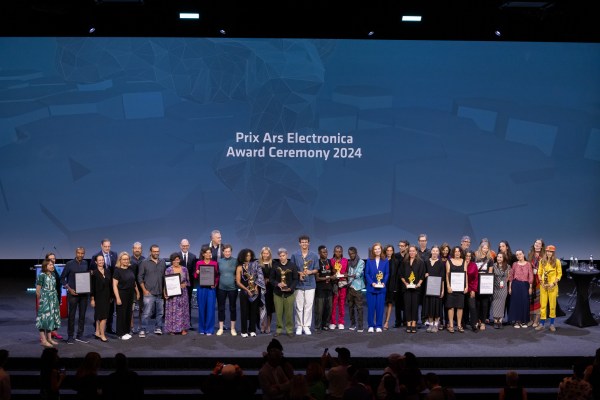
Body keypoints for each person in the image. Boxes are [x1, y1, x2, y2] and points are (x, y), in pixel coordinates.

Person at [291, 235, 319, 335]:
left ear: (308, 243)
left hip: (310, 284)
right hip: (298, 284)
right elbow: (292, 269)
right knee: (298, 306)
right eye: (302, 242)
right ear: (299, 243)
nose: (304, 244)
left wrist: (310, 272)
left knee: (308, 306)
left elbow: (316, 269)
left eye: (306, 242)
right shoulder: (295, 255)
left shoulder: (314, 255)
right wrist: (300, 273)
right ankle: (299, 326)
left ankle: (306, 326)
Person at [60, 247, 89, 344]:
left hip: (84, 294)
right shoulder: (69, 264)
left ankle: (80, 335)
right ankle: (70, 336)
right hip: (73, 294)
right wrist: (69, 289)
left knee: (82, 315)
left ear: (84, 254)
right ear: (76, 253)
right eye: (79, 253)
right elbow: (62, 278)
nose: (80, 255)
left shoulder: (85, 263)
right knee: (72, 316)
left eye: (82, 253)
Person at [138, 244, 166, 337]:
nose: (156, 253)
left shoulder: (162, 262)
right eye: (154, 251)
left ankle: (158, 328)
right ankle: (143, 329)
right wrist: (144, 290)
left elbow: (165, 277)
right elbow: (140, 277)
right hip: (148, 292)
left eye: (157, 251)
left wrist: (164, 290)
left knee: (160, 313)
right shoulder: (144, 262)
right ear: (150, 252)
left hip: (160, 292)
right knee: (146, 313)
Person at [90, 239, 118, 334]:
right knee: (99, 311)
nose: (107, 248)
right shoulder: (95, 256)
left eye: (109, 246)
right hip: (99, 289)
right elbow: (92, 272)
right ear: (101, 246)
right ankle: (97, 330)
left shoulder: (114, 255)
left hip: (110, 286)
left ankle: (109, 327)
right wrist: (92, 297)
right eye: (105, 246)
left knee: (110, 309)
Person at [236, 248, 265, 337]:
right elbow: (238, 282)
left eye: (250, 255)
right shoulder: (239, 267)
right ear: (242, 256)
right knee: (244, 312)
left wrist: (256, 287)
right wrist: (247, 290)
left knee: (254, 311)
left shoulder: (255, 265)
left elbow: (260, 277)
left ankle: (252, 330)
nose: (248, 257)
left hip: (255, 292)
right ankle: (244, 331)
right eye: (247, 255)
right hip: (244, 292)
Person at [271, 248, 299, 337]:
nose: (282, 257)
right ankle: (278, 330)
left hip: (289, 293)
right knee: (278, 313)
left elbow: (295, 279)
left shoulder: (292, 265)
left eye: (283, 255)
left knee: (289, 313)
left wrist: (290, 288)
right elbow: (271, 279)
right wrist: (278, 284)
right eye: (280, 256)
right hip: (278, 293)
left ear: (287, 255)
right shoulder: (275, 265)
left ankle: (289, 330)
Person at [112, 252, 140, 340]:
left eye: (127, 259)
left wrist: (137, 292)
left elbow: (134, 281)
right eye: (124, 259)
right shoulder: (117, 271)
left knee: (128, 313)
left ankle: (126, 331)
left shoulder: (130, 269)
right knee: (121, 314)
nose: (126, 261)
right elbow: (114, 285)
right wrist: (117, 298)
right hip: (121, 294)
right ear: (120, 260)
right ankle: (120, 333)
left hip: (130, 294)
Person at [535, 245, 562, 332]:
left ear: (553, 253)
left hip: (552, 286)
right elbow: (539, 272)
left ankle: (552, 324)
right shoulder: (542, 261)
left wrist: (554, 283)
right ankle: (542, 324)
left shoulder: (557, 261)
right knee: (543, 305)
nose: (549, 253)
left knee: (552, 306)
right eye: (547, 251)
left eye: (550, 251)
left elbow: (559, 274)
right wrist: (541, 282)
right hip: (543, 286)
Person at [399, 245, 425, 333]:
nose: (411, 252)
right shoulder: (404, 262)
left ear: (416, 252)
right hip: (406, 288)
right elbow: (401, 274)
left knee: (415, 306)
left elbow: (422, 275)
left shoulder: (420, 262)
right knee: (407, 306)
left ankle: (414, 323)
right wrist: (405, 283)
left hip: (416, 289)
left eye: (413, 251)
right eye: (410, 251)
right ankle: (408, 323)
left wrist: (419, 284)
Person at [36, 259, 62, 348]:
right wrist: (40, 301)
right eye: (50, 265)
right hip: (45, 300)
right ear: (45, 266)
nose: (52, 266)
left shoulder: (53, 275)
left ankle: (49, 338)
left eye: (52, 265)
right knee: (43, 319)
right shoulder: (41, 275)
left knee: (51, 319)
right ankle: (43, 340)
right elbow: (38, 290)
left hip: (53, 299)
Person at [164, 252, 190, 335]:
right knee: (172, 311)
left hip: (183, 293)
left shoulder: (184, 269)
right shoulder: (168, 270)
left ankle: (183, 329)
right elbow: (166, 282)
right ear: (171, 261)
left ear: (179, 260)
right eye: (174, 260)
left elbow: (188, 281)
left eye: (177, 260)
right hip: (172, 294)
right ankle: (172, 329)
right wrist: (165, 293)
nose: (176, 261)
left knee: (183, 311)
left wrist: (185, 284)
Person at [365, 242, 389, 333]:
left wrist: (383, 282)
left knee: (380, 308)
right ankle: (371, 325)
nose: (377, 250)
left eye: (379, 249)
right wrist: (372, 283)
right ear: (373, 251)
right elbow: (366, 273)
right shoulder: (369, 260)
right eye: (375, 249)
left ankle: (379, 325)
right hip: (371, 288)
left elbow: (387, 273)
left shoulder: (385, 260)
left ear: (381, 250)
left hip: (381, 288)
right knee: (371, 308)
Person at [195, 245, 219, 335]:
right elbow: (195, 276)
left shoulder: (214, 263)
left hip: (211, 289)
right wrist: (197, 273)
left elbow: (217, 276)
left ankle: (209, 329)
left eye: (210, 253)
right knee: (201, 309)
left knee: (210, 309)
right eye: (207, 253)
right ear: (203, 254)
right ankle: (202, 329)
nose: (209, 254)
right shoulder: (199, 263)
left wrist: (215, 283)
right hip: (201, 289)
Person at [216, 244, 238, 336]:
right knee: (221, 308)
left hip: (233, 288)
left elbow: (239, 273)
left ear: (231, 252)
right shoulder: (219, 261)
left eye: (229, 251)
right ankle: (221, 328)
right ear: (223, 252)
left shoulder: (236, 261)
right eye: (226, 251)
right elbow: (216, 274)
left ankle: (233, 328)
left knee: (233, 308)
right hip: (221, 288)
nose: (227, 253)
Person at [508, 250, 533, 328]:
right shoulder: (514, 264)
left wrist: (530, 287)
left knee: (525, 302)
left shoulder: (528, 264)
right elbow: (511, 276)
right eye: (517, 255)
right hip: (516, 284)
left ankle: (524, 321)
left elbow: (530, 276)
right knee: (516, 303)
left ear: (523, 254)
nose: (519, 256)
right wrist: (510, 287)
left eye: (520, 254)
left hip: (525, 285)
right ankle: (516, 321)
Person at [445, 246, 467, 333]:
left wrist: (466, 286)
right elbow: (447, 275)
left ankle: (459, 325)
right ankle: (451, 325)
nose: (457, 253)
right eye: (455, 251)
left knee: (460, 307)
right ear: (453, 253)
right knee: (451, 307)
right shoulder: (449, 261)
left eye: (459, 251)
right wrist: (448, 286)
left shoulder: (464, 261)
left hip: (461, 288)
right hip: (451, 288)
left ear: (461, 253)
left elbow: (466, 275)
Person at [90, 254, 111, 342]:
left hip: (107, 297)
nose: (101, 261)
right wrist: (92, 299)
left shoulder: (108, 271)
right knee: (103, 317)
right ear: (96, 262)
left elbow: (110, 285)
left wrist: (111, 296)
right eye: (99, 260)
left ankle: (97, 332)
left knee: (100, 316)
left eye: (102, 260)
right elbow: (92, 287)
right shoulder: (94, 273)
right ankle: (102, 335)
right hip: (98, 297)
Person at [423, 246, 444, 333]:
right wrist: (425, 275)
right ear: (431, 251)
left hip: (437, 289)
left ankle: (436, 324)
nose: (435, 252)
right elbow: (423, 274)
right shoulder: (426, 262)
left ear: (438, 253)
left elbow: (443, 278)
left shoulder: (441, 263)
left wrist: (442, 290)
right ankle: (431, 324)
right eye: (433, 251)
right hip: (428, 289)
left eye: (436, 251)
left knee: (437, 306)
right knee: (429, 306)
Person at [178, 239, 197, 330]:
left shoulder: (193, 256)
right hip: (178, 284)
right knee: (178, 303)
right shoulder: (177, 256)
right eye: (183, 246)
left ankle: (188, 323)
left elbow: (193, 271)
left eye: (186, 246)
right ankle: (179, 322)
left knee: (188, 303)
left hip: (189, 284)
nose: (185, 247)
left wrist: (187, 281)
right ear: (180, 246)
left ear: (189, 246)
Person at [474, 241, 494, 329]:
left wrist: (488, 284)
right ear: (481, 248)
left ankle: (483, 322)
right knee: (477, 303)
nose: (485, 250)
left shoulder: (490, 259)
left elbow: (490, 272)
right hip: (476, 283)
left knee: (485, 304)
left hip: (485, 284)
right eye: (484, 248)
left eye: (487, 248)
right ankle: (477, 320)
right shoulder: (475, 259)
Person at [314, 245, 333, 333]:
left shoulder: (330, 262)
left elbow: (333, 273)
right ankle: (317, 326)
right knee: (319, 309)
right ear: (319, 253)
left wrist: (334, 276)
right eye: (323, 252)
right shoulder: (317, 262)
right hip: (320, 288)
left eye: (326, 252)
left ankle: (325, 325)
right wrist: (327, 278)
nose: (325, 253)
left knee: (328, 308)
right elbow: (317, 278)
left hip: (329, 288)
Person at [346, 247, 365, 332]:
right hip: (350, 287)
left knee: (359, 308)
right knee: (350, 307)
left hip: (357, 288)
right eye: (350, 254)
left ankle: (360, 326)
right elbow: (349, 273)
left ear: (356, 253)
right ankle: (353, 324)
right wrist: (346, 275)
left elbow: (357, 274)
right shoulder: (349, 262)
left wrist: (347, 275)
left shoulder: (361, 262)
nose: (351, 255)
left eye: (353, 253)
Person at [45, 252, 63, 341]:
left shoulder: (55, 268)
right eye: (51, 259)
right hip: (49, 296)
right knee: (48, 315)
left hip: (57, 295)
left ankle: (54, 332)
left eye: (54, 258)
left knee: (55, 315)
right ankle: (46, 335)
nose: (53, 260)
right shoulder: (45, 270)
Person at [527, 238, 545, 328]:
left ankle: (537, 320)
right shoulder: (530, 254)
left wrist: (538, 271)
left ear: (541, 246)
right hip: (531, 280)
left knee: (538, 301)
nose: (537, 244)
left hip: (539, 281)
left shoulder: (544, 256)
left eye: (539, 243)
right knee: (530, 300)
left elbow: (546, 268)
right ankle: (531, 319)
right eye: (536, 243)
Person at [330, 245, 348, 330]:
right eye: (336, 251)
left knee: (342, 304)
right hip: (334, 284)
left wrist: (345, 275)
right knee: (333, 304)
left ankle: (341, 322)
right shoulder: (331, 260)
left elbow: (347, 272)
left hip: (343, 284)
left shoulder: (345, 260)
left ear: (342, 252)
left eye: (339, 252)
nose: (338, 253)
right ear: (334, 252)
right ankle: (333, 322)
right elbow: (330, 272)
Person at [491, 253, 511, 329]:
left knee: (502, 303)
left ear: (504, 258)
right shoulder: (493, 266)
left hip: (503, 287)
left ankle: (500, 320)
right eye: (498, 257)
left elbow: (509, 276)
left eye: (500, 257)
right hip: (495, 287)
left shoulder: (508, 266)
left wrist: (504, 281)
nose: (499, 258)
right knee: (495, 303)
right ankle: (495, 320)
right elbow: (490, 275)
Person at [259, 246, 275, 334]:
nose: (265, 255)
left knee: (269, 308)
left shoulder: (273, 263)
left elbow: (275, 275)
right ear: (261, 254)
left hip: (270, 288)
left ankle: (268, 325)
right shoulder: (257, 263)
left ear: (270, 254)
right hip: (260, 288)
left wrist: (269, 280)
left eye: (267, 253)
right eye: (264, 253)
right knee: (261, 307)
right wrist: (261, 281)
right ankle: (262, 325)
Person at [129, 242, 145, 334]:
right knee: (131, 309)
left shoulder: (145, 260)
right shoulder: (129, 260)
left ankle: (141, 327)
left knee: (142, 309)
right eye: (135, 248)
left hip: (142, 288)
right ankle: (131, 327)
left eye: (139, 248)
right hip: (132, 289)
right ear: (133, 249)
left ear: (141, 250)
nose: (137, 250)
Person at [393, 240, 409, 328]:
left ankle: (406, 321)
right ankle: (398, 321)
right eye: (399, 246)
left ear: (407, 246)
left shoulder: (409, 255)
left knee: (406, 303)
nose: (400, 247)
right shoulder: (396, 256)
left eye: (402, 246)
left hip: (407, 282)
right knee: (398, 304)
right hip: (398, 283)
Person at [383, 244, 398, 331]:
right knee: (381, 304)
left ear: (393, 251)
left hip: (391, 285)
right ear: (385, 251)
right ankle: (379, 322)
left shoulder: (395, 261)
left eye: (391, 250)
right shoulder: (382, 260)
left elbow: (396, 275)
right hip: (382, 285)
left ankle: (386, 322)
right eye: (387, 250)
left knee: (390, 304)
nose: (389, 252)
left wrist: (395, 287)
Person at [464, 250, 479, 331]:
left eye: (469, 256)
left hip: (471, 289)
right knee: (463, 307)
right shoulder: (461, 264)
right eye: (466, 256)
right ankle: (463, 323)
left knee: (472, 307)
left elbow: (476, 279)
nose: (468, 257)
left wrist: (473, 290)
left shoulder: (474, 265)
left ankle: (474, 324)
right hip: (462, 289)